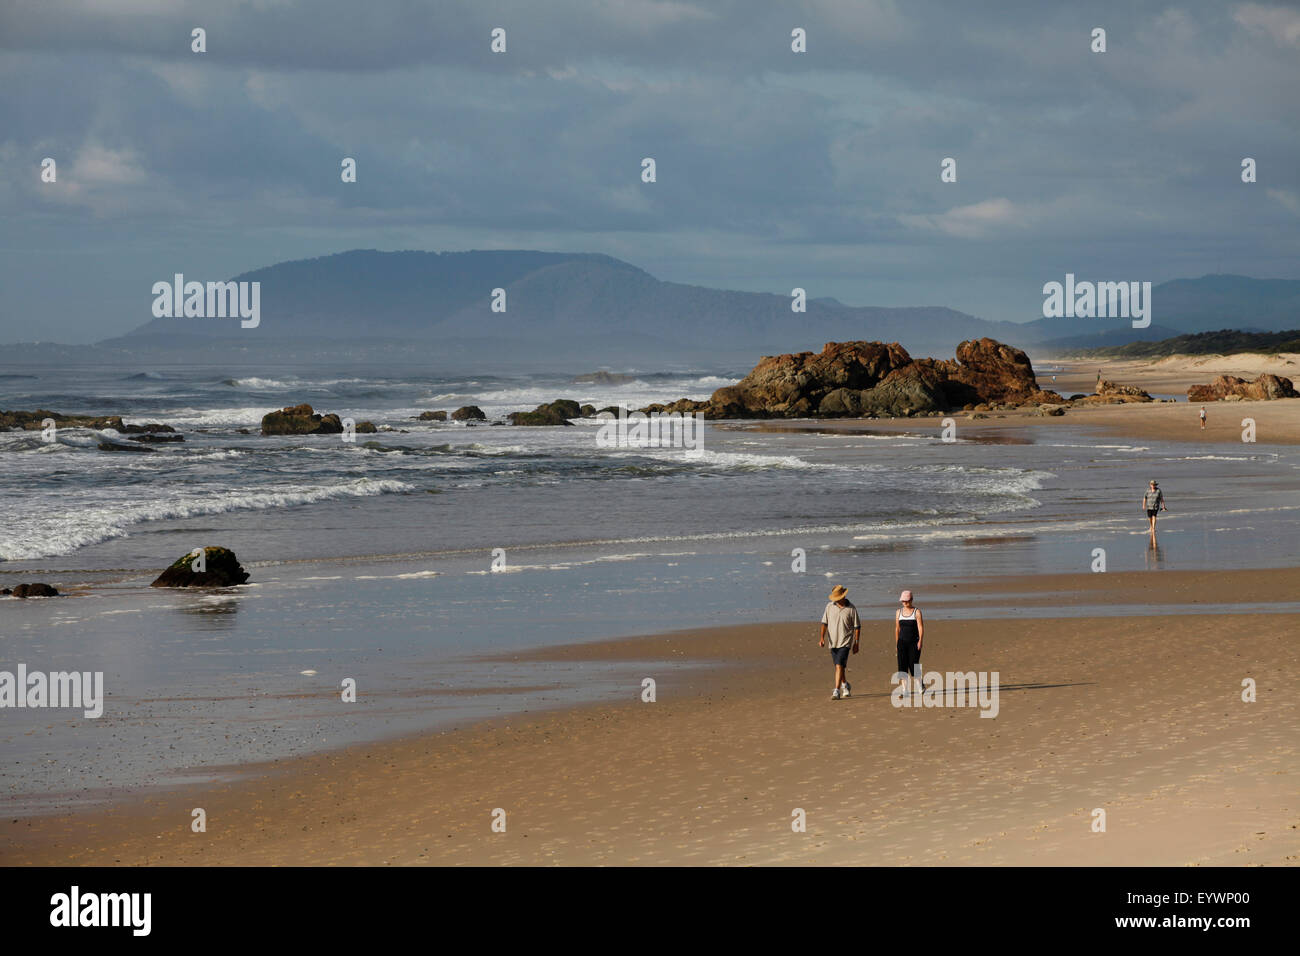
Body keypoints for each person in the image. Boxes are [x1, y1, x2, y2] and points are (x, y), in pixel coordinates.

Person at [819, 585, 860, 700]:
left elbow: (857, 627)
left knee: (839, 665)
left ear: (843, 596)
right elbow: (824, 623)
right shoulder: (829, 606)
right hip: (833, 642)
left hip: (845, 642)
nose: (836, 600)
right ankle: (845, 685)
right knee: (839, 666)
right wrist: (821, 638)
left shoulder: (851, 608)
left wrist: (856, 642)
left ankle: (836, 691)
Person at [895, 590, 923, 691]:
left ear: (911, 600)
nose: (905, 603)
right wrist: (897, 643)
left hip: (913, 642)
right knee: (902, 666)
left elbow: (920, 627)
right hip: (902, 642)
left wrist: (920, 641)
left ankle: (920, 685)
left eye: (906, 601)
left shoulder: (917, 612)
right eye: (903, 601)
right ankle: (904, 689)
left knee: (913, 664)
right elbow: (897, 628)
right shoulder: (898, 612)